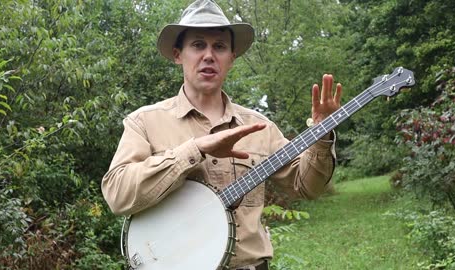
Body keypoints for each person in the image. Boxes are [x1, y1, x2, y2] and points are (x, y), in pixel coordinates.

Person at [102, 0, 342, 269]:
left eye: (219, 47)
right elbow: (117, 194)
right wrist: (194, 150)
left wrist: (323, 133)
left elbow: (307, 187)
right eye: (197, 45)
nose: (208, 55)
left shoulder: (259, 127)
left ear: (231, 58)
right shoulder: (144, 122)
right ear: (177, 54)